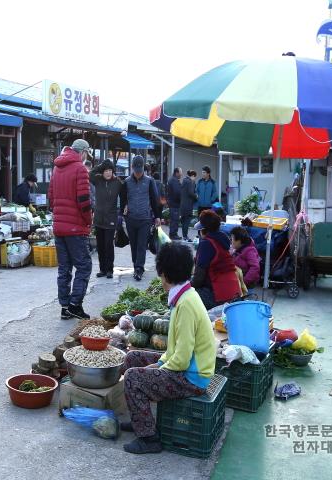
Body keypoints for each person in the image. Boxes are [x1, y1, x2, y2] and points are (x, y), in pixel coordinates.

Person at [121, 242, 216, 454]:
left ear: (163, 274)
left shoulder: (186, 304)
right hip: (185, 368)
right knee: (132, 358)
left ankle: (149, 439)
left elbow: (181, 359)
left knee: (133, 378)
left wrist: (158, 369)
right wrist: (161, 362)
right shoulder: (184, 296)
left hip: (192, 377)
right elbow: (175, 348)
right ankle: (140, 420)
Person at [48, 139, 93, 320]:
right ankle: (75, 305)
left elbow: (50, 198)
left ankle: (65, 306)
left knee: (64, 268)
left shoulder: (57, 168)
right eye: (86, 154)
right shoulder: (80, 169)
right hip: (75, 228)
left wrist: (59, 215)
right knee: (84, 266)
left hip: (59, 226)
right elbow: (84, 200)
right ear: (82, 153)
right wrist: (88, 221)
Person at [120, 155, 162, 281]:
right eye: (136, 171)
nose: (138, 173)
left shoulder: (149, 181)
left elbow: (155, 200)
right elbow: (122, 199)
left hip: (145, 219)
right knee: (133, 244)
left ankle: (139, 269)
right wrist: (123, 211)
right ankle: (135, 265)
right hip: (131, 219)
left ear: (143, 168)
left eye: (140, 170)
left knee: (142, 245)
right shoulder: (126, 182)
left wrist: (158, 216)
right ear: (132, 168)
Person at [191, 210, 242, 309]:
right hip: (234, 294)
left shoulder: (206, 244)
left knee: (187, 295)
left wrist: (186, 286)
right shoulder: (223, 241)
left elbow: (198, 279)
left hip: (219, 296)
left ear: (204, 230)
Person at [90, 159, 123, 279]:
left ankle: (110, 269)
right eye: (106, 171)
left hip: (111, 218)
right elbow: (89, 174)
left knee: (109, 245)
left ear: (113, 171)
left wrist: (123, 210)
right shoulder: (98, 180)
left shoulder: (117, 182)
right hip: (99, 218)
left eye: (110, 170)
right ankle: (102, 269)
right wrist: (100, 167)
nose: (108, 173)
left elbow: (124, 195)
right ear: (102, 172)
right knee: (100, 246)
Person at [179, 170, 197, 242]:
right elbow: (191, 193)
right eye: (194, 177)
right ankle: (185, 237)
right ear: (192, 176)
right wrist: (196, 196)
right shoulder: (190, 182)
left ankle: (184, 236)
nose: (194, 179)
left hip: (183, 204)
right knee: (186, 221)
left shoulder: (184, 181)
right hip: (188, 205)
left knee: (184, 221)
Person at [166, 167, 182, 240]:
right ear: (177, 173)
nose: (181, 174)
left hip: (172, 203)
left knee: (174, 219)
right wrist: (180, 200)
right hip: (174, 203)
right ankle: (173, 234)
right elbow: (177, 192)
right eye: (180, 172)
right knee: (174, 220)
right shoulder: (174, 180)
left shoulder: (172, 180)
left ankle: (173, 234)